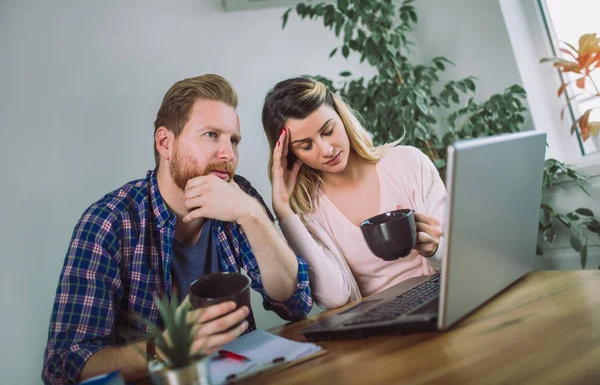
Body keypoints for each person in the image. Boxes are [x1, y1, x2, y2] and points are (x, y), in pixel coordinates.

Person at [42, 74, 312, 385]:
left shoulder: (238, 198)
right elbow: (63, 367)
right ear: (165, 143)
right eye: (212, 135)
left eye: (233, 140)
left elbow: (294, 303)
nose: (228, 155)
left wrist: (252, 214)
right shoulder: (109, 223)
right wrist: (167, 347)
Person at [261, 77, 446, 309]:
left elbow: (460, 254)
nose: (327, 150)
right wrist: (283, 209)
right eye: (306, 146)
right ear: (290, 154)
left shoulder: (409, 163)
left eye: (328, 130)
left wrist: (435, 250)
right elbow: (334, 297)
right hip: (378, 323)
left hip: (442, 300)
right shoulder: (309, 210)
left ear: (342, 117)